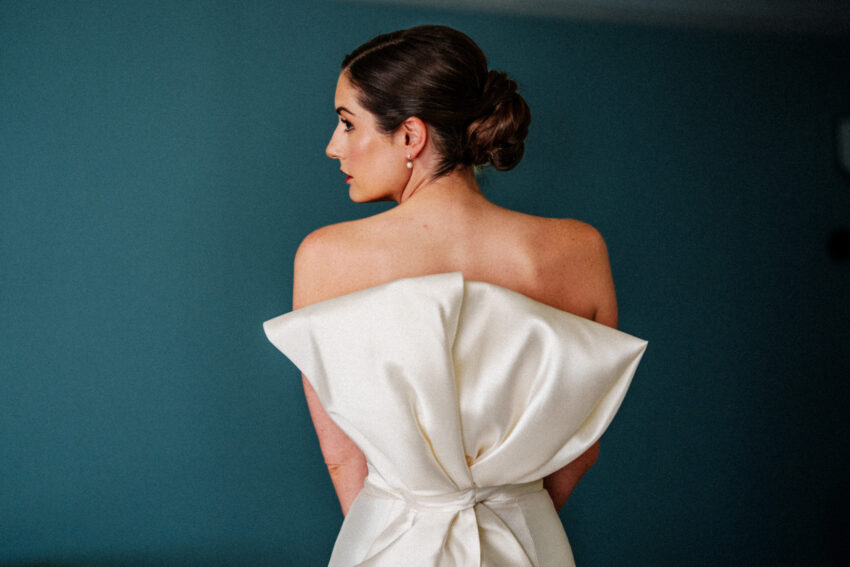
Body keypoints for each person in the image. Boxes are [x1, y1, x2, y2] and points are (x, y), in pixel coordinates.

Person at [264, 25, 646, 566]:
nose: (334, 146)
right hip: (528, 542)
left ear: (411, 136)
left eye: (348, 123)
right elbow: (581, 451)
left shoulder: (327, 256)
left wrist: (395, 529)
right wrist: (512, 523)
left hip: (392, 542)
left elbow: (341, 456)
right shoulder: (579, 248)